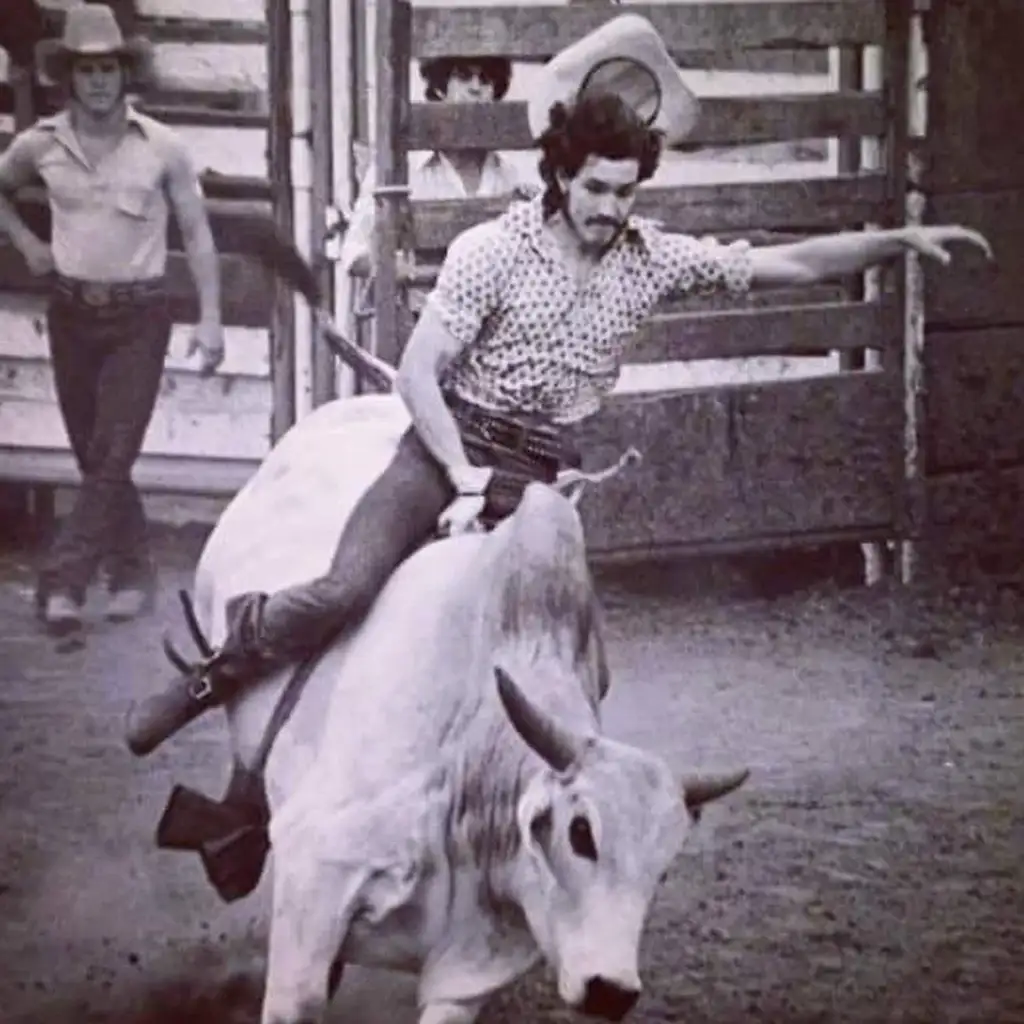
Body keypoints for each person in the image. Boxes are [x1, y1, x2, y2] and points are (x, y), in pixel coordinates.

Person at [126, 14, 992, 752]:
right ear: (561, 175)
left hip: (544, 477)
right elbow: (422, 373)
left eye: (625, 190)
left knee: (580, 666)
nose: (610, 208)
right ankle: (215, 675)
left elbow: (787, 261)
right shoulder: (491, 252)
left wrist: (899, 244)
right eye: (595, 188)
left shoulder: (651, 261)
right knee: (349, 589)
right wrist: (458, 468)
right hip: (446, 447)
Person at [0, 4, 225, 635]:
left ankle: (62, 584)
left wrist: (210, 321)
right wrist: (26, 244)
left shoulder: (161, 147)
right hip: (71, 314)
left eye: (109, 69)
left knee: (112, 452)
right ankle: (131, 574)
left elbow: (197, 233)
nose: (98, 81)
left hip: (140, 318)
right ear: (67, 76)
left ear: (127, 73)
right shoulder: (39, 145)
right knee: (96, 455)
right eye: (86, 70)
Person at [339, 52, 533, 323]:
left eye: (486, 80)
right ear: (440, 88)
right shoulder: (400, 171)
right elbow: (353, 250)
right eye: (464, 77)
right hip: (421, 323)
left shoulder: (510, 175)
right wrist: (394, 269)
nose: (476, 88)